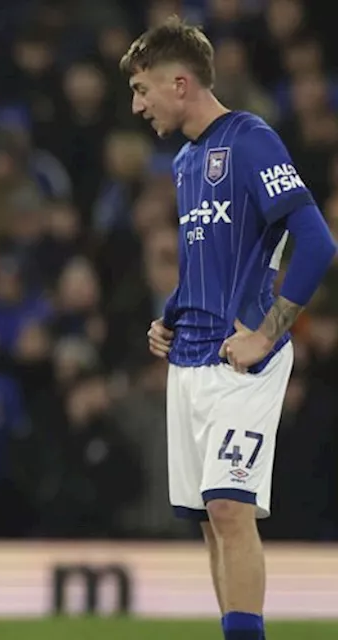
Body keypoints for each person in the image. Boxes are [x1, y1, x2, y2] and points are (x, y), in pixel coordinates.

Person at [120, 18, 337, 640]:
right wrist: (171, 313)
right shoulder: (186, 162)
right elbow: (209, 262)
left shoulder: (250, 138)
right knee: (211, 520)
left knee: (229, 508)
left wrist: (268, 334)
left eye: (142, 89)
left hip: (244, 361)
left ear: (180, 83)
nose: (137, 106)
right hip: (189, 357)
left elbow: (318, 244)